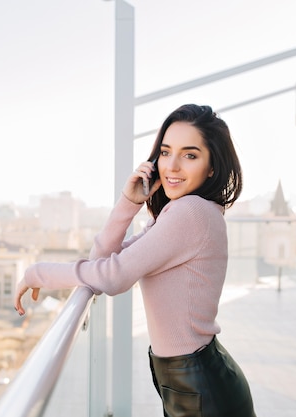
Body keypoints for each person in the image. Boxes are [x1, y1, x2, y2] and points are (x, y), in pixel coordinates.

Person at [15, 104, 256, 417]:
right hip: (190, 376)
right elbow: (103, 260)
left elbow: (112, 276)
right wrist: (129, 203)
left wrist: (38, 273)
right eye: (166, 152)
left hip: (199, 386)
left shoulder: (191, 213)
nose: (172, 166)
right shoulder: (179, 213)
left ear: (212, 167)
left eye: (190, 155)